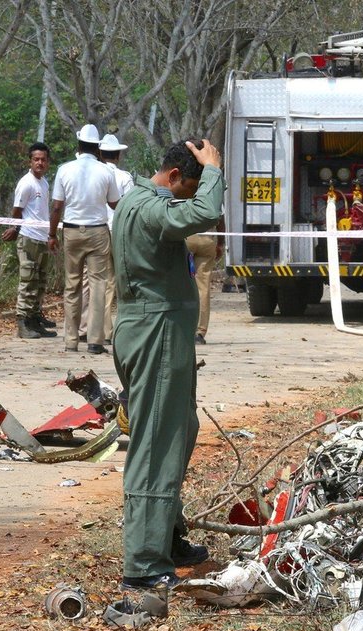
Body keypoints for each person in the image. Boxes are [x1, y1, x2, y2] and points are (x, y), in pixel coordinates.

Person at [111, 138, 224, 590]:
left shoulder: (143, 201)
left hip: (161, 334)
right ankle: (143, 562)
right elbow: (201, 215)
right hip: (154, 335)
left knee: (177, 431)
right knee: (156, 443)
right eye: (189, 187)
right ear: (174, 176)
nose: (189, 197)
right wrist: (213, 170)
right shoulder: (148, 206)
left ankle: (168, 537)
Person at [48, 124, 120, 354]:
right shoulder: (106, 171)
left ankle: (70, 340)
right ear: (98, 148)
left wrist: (51, 234)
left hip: (71, 231)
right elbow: (114, 203)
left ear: (78, 145)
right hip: (98, 232)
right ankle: (95, 342)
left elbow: (57, 205)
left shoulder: (64, 169)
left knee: (72, 285)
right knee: (98, 285)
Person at [79, 133, 133, 344]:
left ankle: (92, 328)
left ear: (100, 153)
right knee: (112, 283)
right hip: (117, 232)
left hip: (96, 230)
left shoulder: (95, 173)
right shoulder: (125, 177)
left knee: (93, 281)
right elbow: (128, 207)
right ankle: (109, 331)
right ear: (118, 155)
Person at [2, 142, 57, 339]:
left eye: (43, 160)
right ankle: (22, 324)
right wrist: (15, 229)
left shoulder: (44, 182)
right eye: (36, 159)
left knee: (39, 282)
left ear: (48, 162)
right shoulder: (26, 183)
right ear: (30, 161)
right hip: (28, 238)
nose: (39, 163)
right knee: (27, 282)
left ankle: (35, 320)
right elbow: (17, 210)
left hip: (42, 238)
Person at [185, 216, 226, 344]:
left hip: (186, 237)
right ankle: (199, 332)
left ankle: (183, 328)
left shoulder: (179, 194)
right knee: (203, 287)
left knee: (181, 282)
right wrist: (220, 243)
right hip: (207, 238)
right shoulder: (211, 195)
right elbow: (221, 218)